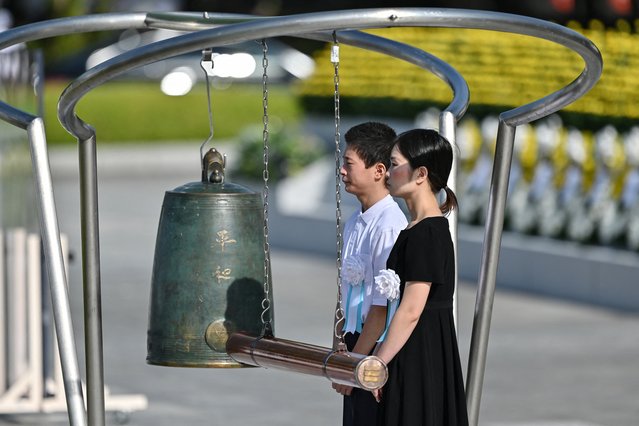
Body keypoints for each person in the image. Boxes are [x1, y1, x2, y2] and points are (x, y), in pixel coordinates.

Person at [372, 129, 469, 426]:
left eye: (394, 163)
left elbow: (412, 309)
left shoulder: (427, 232)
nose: (388, 172)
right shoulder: (419, 229)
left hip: (419, 351)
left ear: (420, 174)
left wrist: (378, 361)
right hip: (418, 347)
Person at [332, 122, 408, 426]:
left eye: (349, 163)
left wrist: (355, 364)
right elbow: (346, 292)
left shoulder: (389, 224)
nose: (342, 171)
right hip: (354, 344)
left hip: (374, 349)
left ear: (379, 170)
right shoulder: (356, 220)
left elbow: (381, 307)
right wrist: (339, 345)